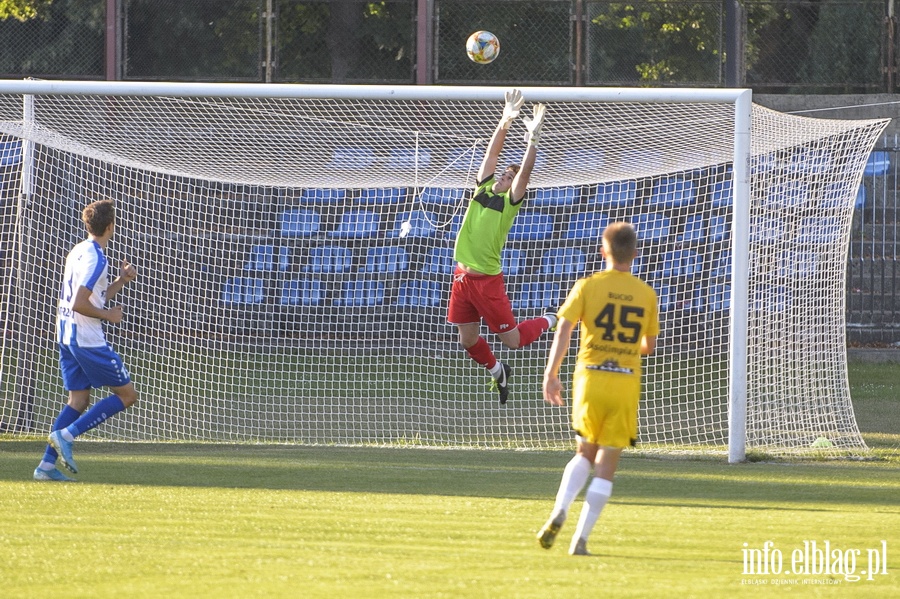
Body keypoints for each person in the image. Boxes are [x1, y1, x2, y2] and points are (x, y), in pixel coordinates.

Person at [536, 222, 659, 555]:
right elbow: (648, 345)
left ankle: (559, 509)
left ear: (603, 251)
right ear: (634, 254)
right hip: (624, 383)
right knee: (607, 465)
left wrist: (551, 373)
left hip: (589, 377)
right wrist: (626, 346)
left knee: (583, 453)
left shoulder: (587, 286)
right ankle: (581, 539)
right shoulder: (646, 294)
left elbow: (564, 328)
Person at [448, 89, 557, 404]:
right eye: (506, 175)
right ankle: (498, 371)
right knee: (467, 339)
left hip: (486, 281)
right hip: (461, 277)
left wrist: (532, 142)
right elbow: (493, 156)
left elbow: (526, 174)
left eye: (511, 177)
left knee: (511, 340)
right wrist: (505, 120)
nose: (506, 178)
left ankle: (551, 319)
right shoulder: (483, 185)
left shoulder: (509, 202)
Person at [33, 199, 139, 481]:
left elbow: (91, 295)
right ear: (110, 226)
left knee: (78, 399)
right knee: (127, 395)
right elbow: (82, 304)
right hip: (86, 338)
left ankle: (45, 467)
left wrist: (120, 282)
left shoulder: (78, 250)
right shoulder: (97, 258)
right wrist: (109, 316)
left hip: (66, 335)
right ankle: (66, 435)